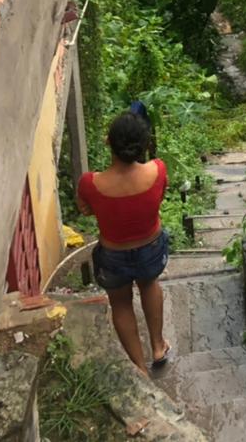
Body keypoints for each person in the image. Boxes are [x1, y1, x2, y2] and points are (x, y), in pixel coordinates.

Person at [76, 109, 170, 375]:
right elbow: (160, 195)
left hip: (113, 254)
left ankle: (139, 368)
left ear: (108, 142)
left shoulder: (91, 183)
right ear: (143, 144)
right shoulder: (158, 171)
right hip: (150, 247)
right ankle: (158, 346)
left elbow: (85, 209)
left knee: (121, 303)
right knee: (150, 285)